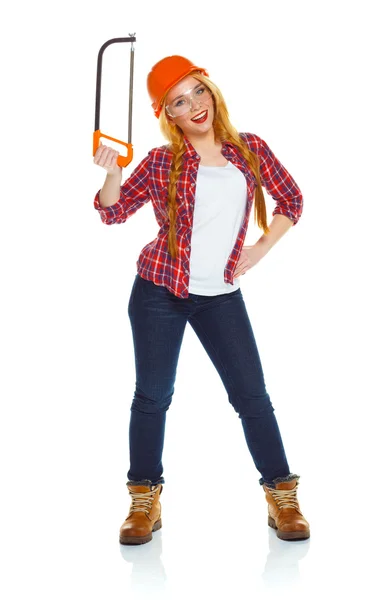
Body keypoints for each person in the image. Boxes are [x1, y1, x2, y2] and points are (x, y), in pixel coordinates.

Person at [93, 55, 310, 545]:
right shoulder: (162, 160)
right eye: (178, 101)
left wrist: (259, 249)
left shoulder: (249, 150)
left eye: (198, 92)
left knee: (252, 396)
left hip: (221, 298)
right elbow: (112, 212)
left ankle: (282, 496)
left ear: (211, 92)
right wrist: (111, 171)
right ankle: (143, 501)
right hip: (158, 293)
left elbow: (291, 201)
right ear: (167, 114)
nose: (193, 105)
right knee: (153, 396)